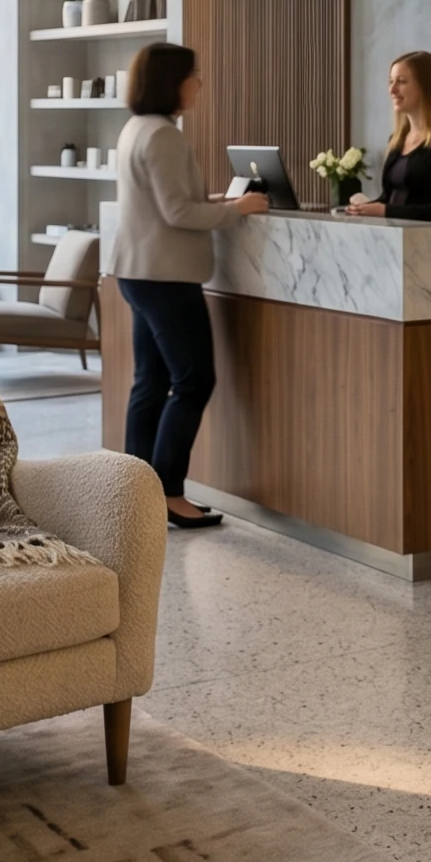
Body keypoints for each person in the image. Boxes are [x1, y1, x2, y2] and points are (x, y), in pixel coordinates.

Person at [113, 42, 269, 530]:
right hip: (166, 276)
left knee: (151, 383)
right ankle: (169, 493)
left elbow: (170, 200)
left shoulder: (136, 129)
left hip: (138, 271)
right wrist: (236, 210)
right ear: (173, 81)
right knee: (193, 380)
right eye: (193, 75)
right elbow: (177, 213)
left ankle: (136, 494)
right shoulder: (163, 135)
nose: (199, 83)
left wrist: (217, 199)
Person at [344, 51, 431, 221]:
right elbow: (389, 199)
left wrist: (385, 211)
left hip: (428, 243)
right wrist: (362, 209)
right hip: (394, 241)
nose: (392, 89)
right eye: (391, 81)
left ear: (426, 87)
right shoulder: (396, 140)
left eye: (401, 82)